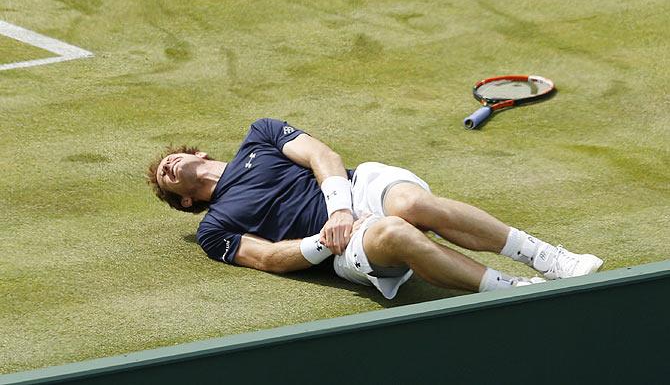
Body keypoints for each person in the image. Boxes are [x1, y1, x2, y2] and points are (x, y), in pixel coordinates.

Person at [146, 118, 603, 299]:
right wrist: (324, 240)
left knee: (411, 204)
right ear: (185, 200)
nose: (167, 164)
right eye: (164, 176)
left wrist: (340, 210)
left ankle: (548, 258)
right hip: (342, 246)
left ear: (200, 153)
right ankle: (514, 290)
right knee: (397, 233)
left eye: (171, 158)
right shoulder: (214, 228)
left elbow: (325, 159)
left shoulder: (261, 135)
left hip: (355, 192)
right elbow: (267, 258)